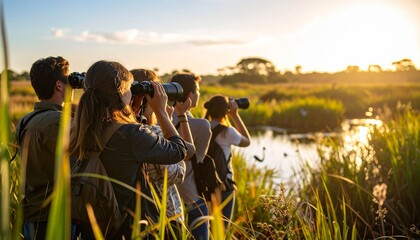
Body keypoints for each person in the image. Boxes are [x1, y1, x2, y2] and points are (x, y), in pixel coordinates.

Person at [69, 61, 187, 239]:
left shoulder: (80, 129)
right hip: (130, 229)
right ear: (121, 89)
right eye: (130, 87)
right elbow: (178, 150)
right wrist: (161, 111)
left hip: (94, 228)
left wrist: (133, 111)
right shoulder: (131, 134)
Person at [130, 68, 196, 239]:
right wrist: (164, 120)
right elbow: (176, 174)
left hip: (132, 219)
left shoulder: (123, 129)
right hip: (165, 220)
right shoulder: (153, 134)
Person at [14, 56, 72, 240]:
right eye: (69, 80)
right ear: (59, 85)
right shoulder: (59, 122)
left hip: (31, 210)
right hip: (52, 217)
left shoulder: (26, 119)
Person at [170, 72, 212, 240]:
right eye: (198, 91)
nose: (199, 94)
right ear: (190, 95)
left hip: (165, 198)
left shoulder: (155, 119)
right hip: (190, 195)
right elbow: (197, 158)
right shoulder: (201, 125)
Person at [203, 95, 251, 230]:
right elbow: (247, 141)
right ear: (226, 111)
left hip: (202, 186)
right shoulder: (227, 132)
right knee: (222, 231)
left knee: (207, 229)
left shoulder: (200, 127)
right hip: (224, 186)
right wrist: (235, 116)